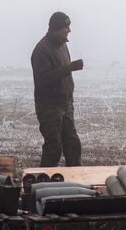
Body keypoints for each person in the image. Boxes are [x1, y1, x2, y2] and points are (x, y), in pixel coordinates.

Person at [31, 12, 83, 167]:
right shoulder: (42, 50)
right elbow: (44, 79)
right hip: (49, 107)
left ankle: (76, 179)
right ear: (56, 28)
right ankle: (43, 182)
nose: (69, 30)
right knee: (53, 147)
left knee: (72, 144)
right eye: (66, 27)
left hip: (65, 103)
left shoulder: (62, 45)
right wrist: (68, 68)